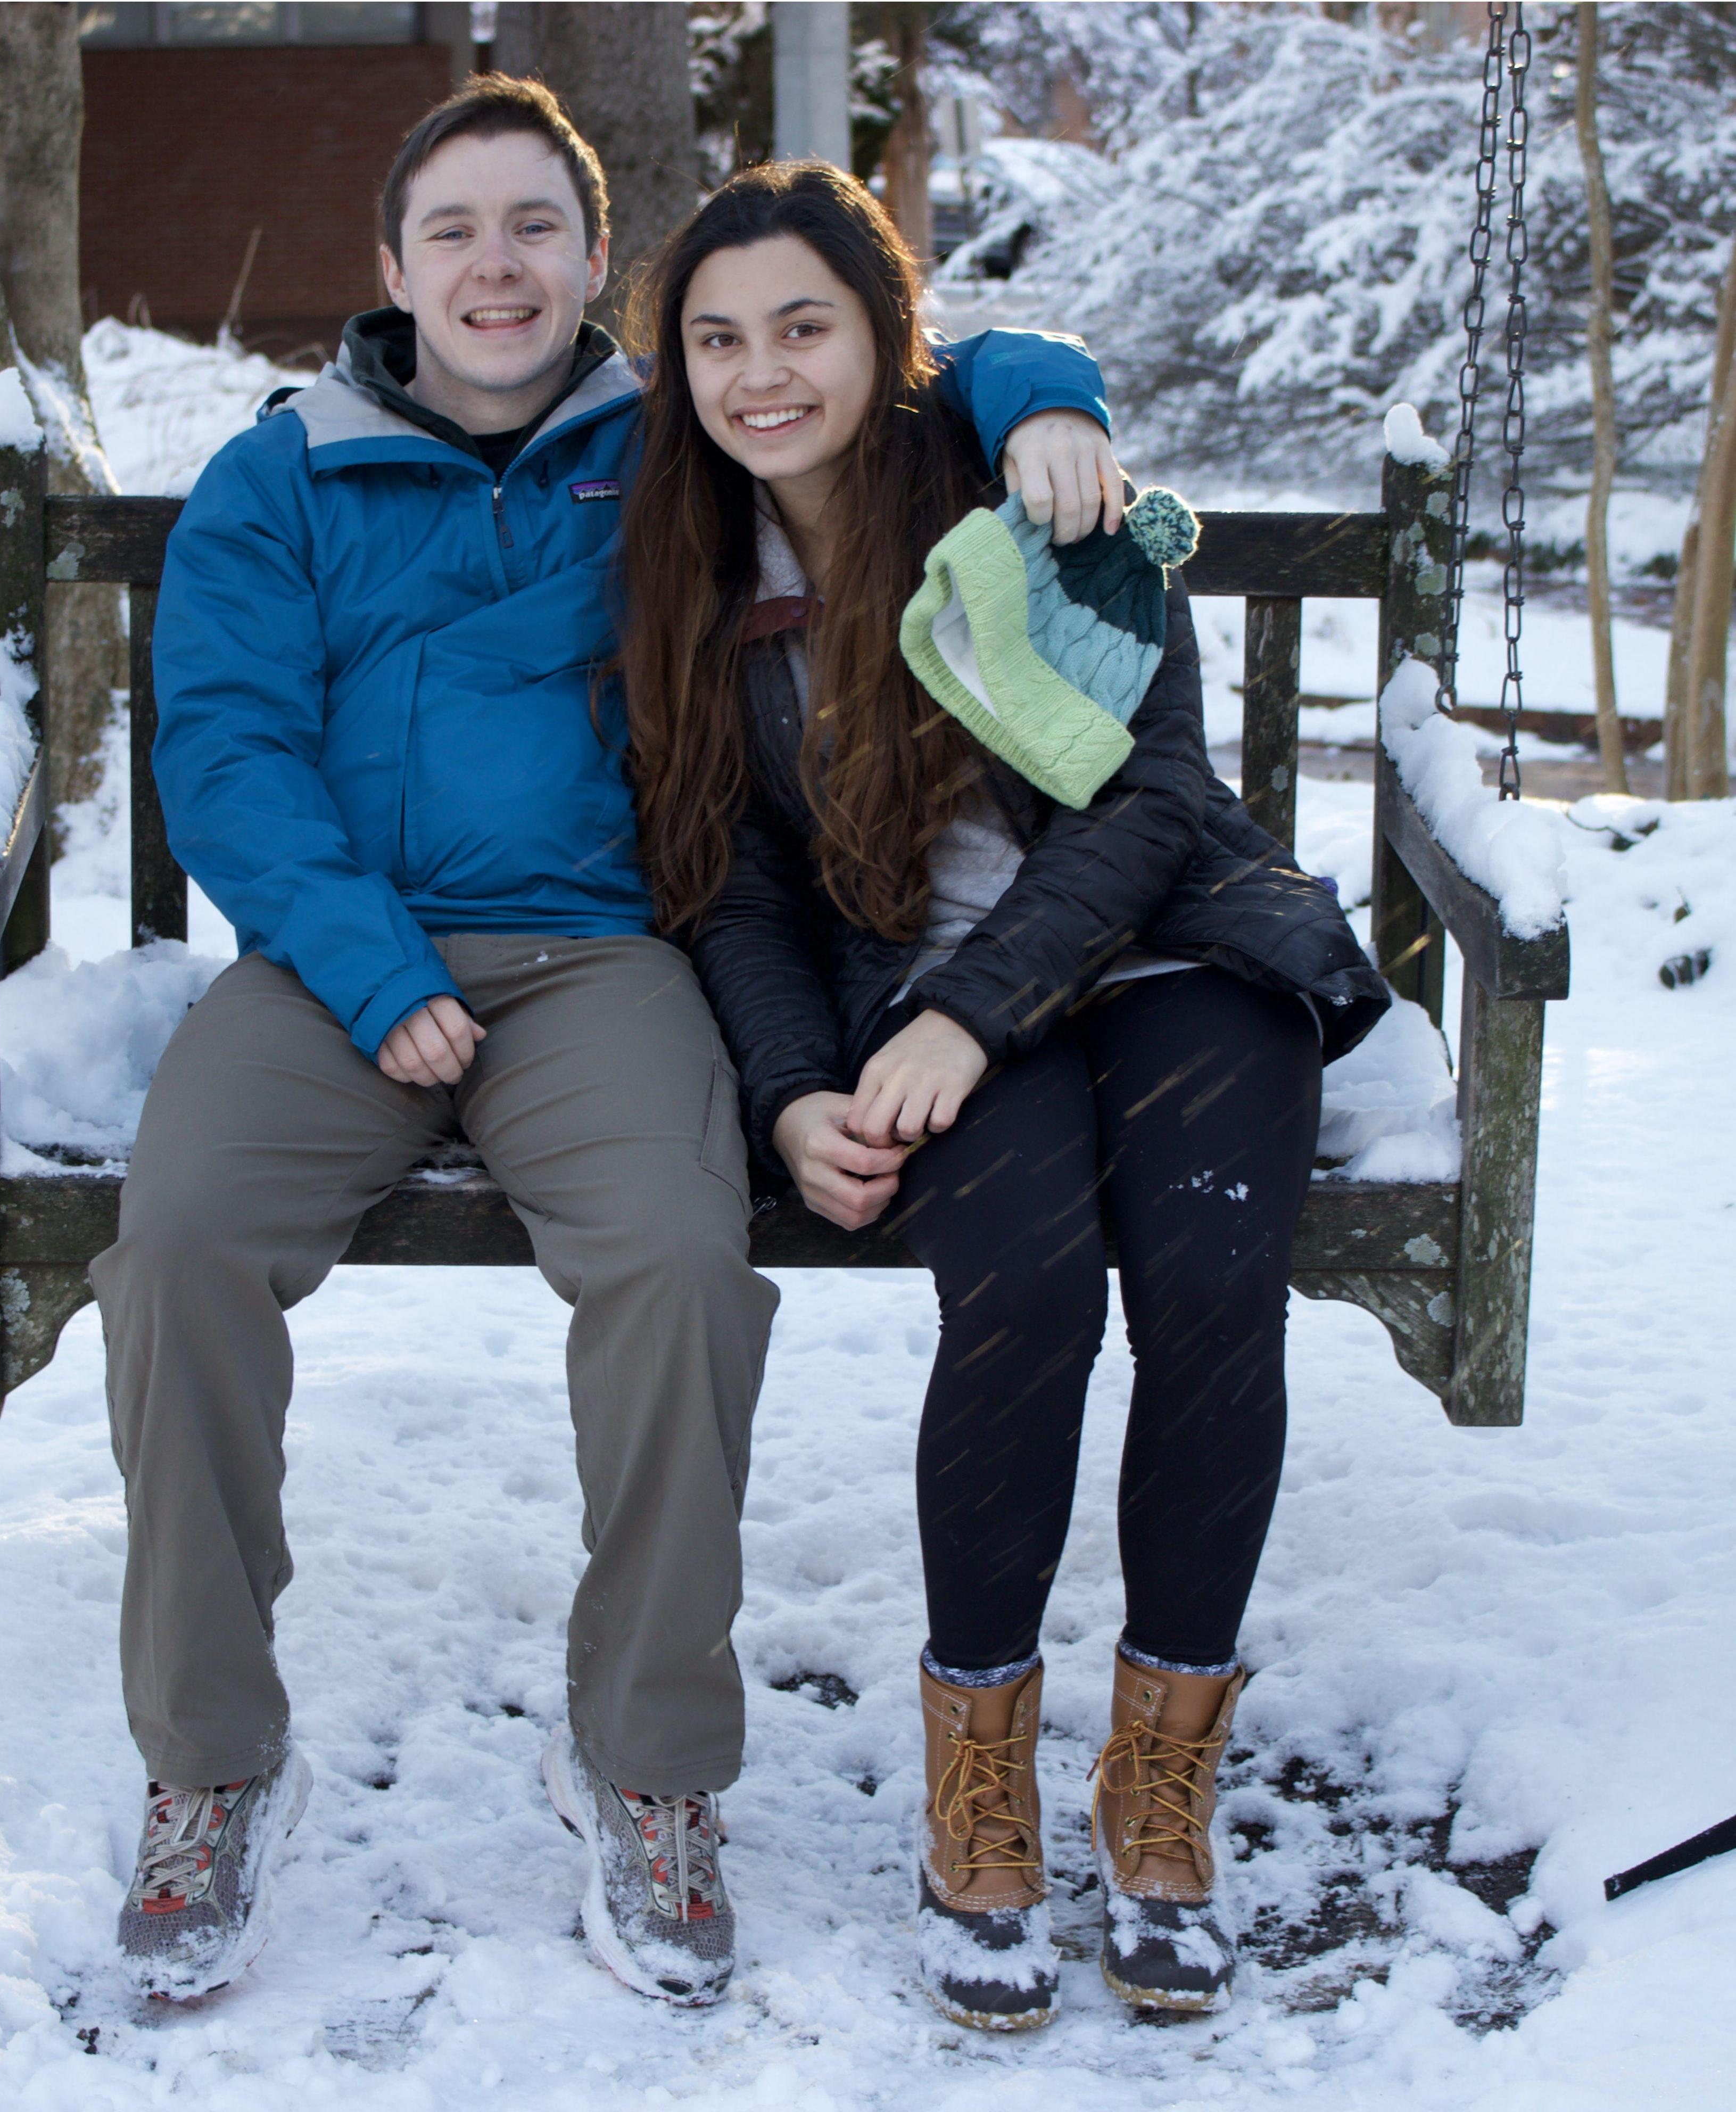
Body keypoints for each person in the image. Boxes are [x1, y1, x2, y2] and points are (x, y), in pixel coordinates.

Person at [89, 77, 1122, 2007]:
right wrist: (371, 963)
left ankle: (646, 1761)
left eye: (535, 229)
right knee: (178, 1255)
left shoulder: (665, 441)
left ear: (596, 269)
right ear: (391, 268)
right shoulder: (280, 475)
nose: (496, 264)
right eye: (455, 229)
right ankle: (213, 1760)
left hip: (598, 959)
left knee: (673, 1261)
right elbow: (225, 752)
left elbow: (904, 360)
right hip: (337, 966)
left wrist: (1047, 387)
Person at [619, 162, 1391, 2028]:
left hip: (1173, 949)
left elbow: (1150, 798)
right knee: (1027, 1288)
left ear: (891, 341)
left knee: (1210, 1285)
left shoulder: (1037, 494)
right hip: (920, 995)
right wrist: (800, 1088)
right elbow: (718, 877)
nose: (761, 374)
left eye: (806, 327)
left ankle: (1162, 1795)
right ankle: (981, 1801)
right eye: (718, 339)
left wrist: (975, 1008)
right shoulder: (685, 572)